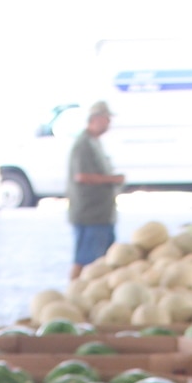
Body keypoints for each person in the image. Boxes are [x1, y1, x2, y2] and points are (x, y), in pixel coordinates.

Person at [67, 102, 123, 279]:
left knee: (100, 261)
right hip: (90, 215)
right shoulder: (83, 144)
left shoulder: (94, 142)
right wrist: (112, 179)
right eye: (107, 119)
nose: (109, 123)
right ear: (96, 119)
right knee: (84, 260)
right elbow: (81, 176)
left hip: (101, 214)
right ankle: (73, 294)